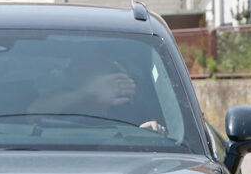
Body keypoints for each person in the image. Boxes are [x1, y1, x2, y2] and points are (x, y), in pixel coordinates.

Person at [28, 51, 166, 134]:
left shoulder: (127, 107)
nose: (90, 72)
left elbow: (147, 132)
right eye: (83, 68)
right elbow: (32, 115)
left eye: (97, 67)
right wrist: (86, 93)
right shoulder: (61, 104)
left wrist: (146, 131)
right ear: (71, 75)